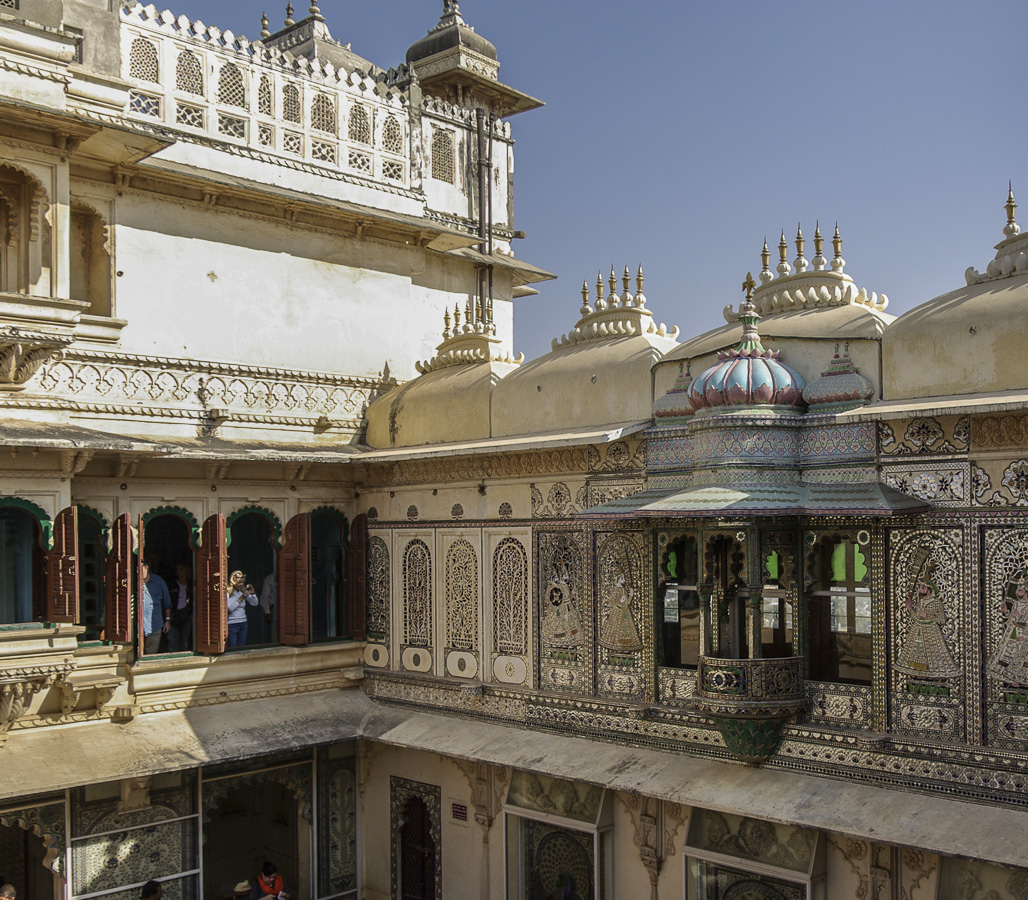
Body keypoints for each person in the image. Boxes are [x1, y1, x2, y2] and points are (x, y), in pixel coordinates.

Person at [141, 562, 172, 655]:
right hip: (137, 626)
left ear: (147, 568)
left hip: (155, 625)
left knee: (150, 654)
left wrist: (167, 620)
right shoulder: (133, 581)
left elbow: (167, 603)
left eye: (141, 568)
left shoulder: (159, 582)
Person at [226, 570, 258, 647]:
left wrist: (253, 593)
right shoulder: (228, 593)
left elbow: (254, 603)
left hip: (243, 623)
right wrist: (242, 598)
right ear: (233, 582)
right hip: (232, 624)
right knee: (233, 648)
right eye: (239, 582)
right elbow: (230, 608)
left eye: (243, 582)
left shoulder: (242, 592)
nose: (241, 584)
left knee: (241, 648)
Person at [167, 563, 194, 652]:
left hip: (187, 615)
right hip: (174, 615)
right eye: (177, 570)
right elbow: (168, 600)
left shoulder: (191, 585)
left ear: (186, 571)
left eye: (181, 570)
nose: (178, 572)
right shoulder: (172, 584)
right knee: (173, 642)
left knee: (184, 641)